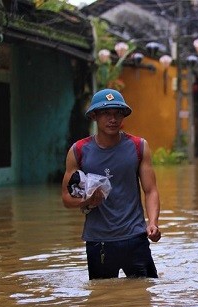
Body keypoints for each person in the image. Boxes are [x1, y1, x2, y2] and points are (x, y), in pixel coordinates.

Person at [61, 88, 161, 280]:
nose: (113, 119)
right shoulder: (79, 151)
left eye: (117, 114)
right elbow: (66, 198)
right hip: (99, 242)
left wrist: (153, 223)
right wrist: (86, 201)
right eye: (106, 113)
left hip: (135, 238)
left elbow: (151, 190)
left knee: (144, 298)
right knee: (101, 301)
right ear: (94, 116)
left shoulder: (138, 147)